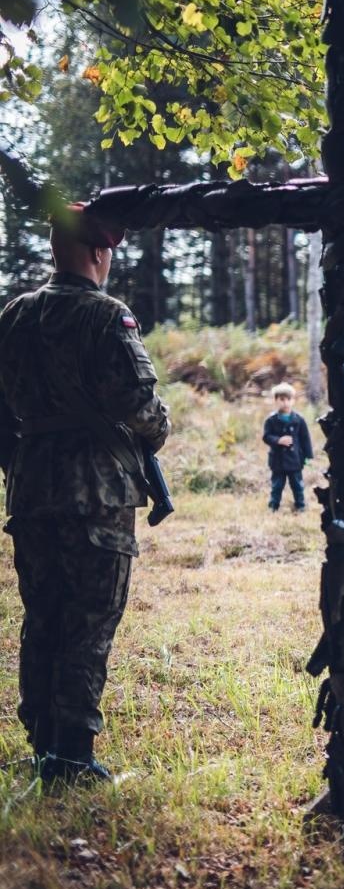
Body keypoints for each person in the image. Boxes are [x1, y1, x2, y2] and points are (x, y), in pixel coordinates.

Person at [0, 208, 171, 783]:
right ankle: (72, 756)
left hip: (30, 492)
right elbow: (139, 404)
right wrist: (161, 427)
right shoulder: (107, 316)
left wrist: (19, 465)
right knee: (89, 622)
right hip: (97, 495)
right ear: (99, 252)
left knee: (42, 617)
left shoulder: (14, 316)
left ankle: (44, 742)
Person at [262, 382, 314, 513]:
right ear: (276, 400)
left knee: (297, 485)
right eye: (282, 399)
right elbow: (266, 436)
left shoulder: (299, 420)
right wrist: (278, 440)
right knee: (277, 485)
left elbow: (305, 439)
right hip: (277, 460)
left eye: (288, 399)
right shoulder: (271, 420)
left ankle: (300, 506)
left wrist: (308, 456)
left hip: (295, 460)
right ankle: (273, 507)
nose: (285, 403)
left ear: (293, 401)